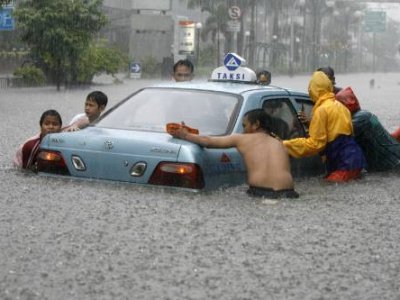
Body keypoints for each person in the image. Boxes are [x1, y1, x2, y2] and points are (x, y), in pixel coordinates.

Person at [167, 109, 299, 199]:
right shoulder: (280, 144)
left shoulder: (242, 139)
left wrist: (184, 135)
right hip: (289, 194)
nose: (243, 130)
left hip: (261, 193)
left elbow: (207, 142)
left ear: (256, 124)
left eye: (244, 125)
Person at [283, 71, 366, 182]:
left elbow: (316, 144)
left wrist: (285, 145)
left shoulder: (321, 110)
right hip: (356, 161)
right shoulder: (342, 107)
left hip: (344, 165)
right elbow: (335, 132)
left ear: (313, 90)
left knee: (328, 187)